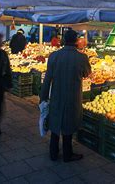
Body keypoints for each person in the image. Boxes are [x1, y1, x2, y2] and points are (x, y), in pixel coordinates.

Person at [40, 29, 91, 162]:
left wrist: (43, 97)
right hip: (72, 97)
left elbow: (47, 79)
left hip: (56, 95)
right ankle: (68, 154)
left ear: (63, 40)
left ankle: (53, 153)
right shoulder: (82, 57)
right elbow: (87, 73)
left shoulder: (54, 56)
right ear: (76, 41)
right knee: (68, 126)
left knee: (56, 124)